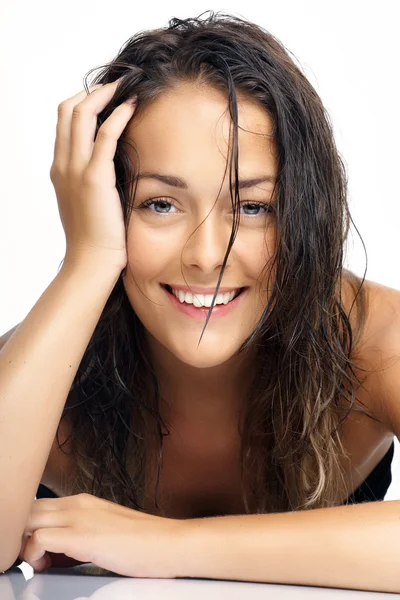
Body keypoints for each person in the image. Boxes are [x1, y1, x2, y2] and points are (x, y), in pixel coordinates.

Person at [1, 10, 399, 585]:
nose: (207, 255)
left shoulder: (371, 338)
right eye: (159, 204)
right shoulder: (48, 369)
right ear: (106, 206)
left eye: (254, 206)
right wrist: (85, 262)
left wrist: (168, 546)